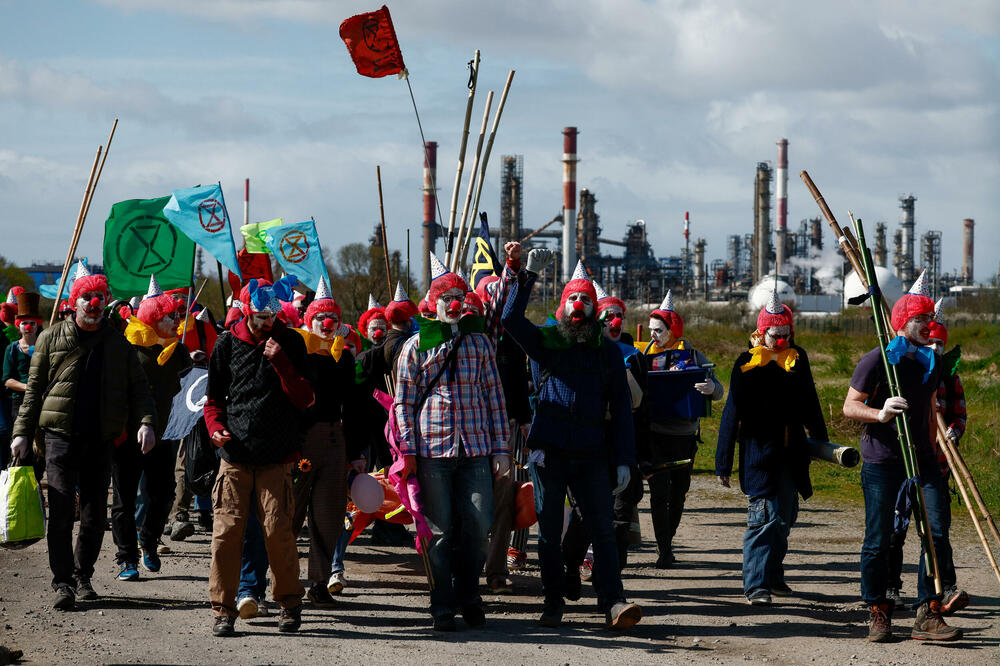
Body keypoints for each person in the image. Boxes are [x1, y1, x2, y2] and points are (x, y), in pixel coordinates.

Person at [501, 252, 642, 630]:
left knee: (603, 530)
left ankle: (613, 601)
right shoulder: (545, 343)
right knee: (548, 535)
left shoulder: (608, 353)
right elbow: (509, 319)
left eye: (586, 301)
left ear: (595, 310)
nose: (579, 306)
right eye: (572, 300)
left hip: (592, 453)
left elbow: (622, 409)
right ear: (562, 306)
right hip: (549, 453)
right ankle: (552, 602)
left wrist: (625, 458)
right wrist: (527, 275)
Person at [9, 263, 156, 610]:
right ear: (73, 302)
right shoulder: (50, 338)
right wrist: (21, 432)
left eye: (98, 297)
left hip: (101, 439)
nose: (93, 303)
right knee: (61, 512)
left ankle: (82, 575)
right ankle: (62, 582)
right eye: (86, 297)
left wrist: (146, 423)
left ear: (105, 302)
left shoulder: (118, 344)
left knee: (93, 516)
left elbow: (140, 390)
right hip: (59, 438)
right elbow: (33, 392)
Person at [843, 272, 964, 642]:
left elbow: (929, 408)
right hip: (882, 461)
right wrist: (879, 413)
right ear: (902, 323)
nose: (930, 325)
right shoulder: (877, 360)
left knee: (936, 533)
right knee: (879, 539)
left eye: (931, 319)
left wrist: (940, 448)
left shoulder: (931, 361)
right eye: (922, 320)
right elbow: (850, 406)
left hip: (924, 459)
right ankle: (878, 610)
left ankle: (927, 612)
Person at [394, 252, 510, 632]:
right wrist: (408, 451)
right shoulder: (415, 347)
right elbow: (403, 402)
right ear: (434, 304)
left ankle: (469, 595)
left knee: (479, 524)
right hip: (432, 451)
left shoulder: (479, 344)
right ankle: (442, 604)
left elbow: (495, 397)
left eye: (459, 298)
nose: (455, 305)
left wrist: (502, 449)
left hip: (476, 449)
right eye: (447, 299)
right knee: (440, 532)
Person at [203, 278, 313, 637]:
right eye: (261, 316)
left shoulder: (292, 342)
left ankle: (289, 603)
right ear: (247, 311)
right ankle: (223, 610)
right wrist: (214, 427)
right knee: (227, 533)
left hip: (276, 456)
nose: (268, 323)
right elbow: (214, 400)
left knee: (278, 532)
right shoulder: (226, 343)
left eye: (273, 315)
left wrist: (281, 361)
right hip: (234, 455)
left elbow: (305, 399)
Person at [716, 290, 827, 606]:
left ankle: (774, 576)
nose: (780, 341)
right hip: (759, 456)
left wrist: (819, 439)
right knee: (764, 518)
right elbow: (731, 415)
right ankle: (756, 585)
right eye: (774, 335)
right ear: (760, 333)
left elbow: (810, 401)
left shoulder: (797, 358)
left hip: (792, 456)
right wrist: (723, 463)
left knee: (785, 518)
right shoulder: (746, 364)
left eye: (785, 335)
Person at [561, 278, 648, 599]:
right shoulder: (572, 353)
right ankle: (570, 567)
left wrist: (640, 457)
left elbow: (640, 410)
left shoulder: (629, 357)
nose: (614, 322)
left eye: (618, 316)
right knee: (585, 517)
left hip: (620, 450)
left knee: (620, 522)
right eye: (606, 315)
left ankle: (609, 587)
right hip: (583, 449)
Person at [884, 304, 969, 615]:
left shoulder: (950, 379)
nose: (935, 349)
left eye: (940, 345)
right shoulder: (905, 371)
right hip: (905, 462)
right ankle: (891, 586)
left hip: (938, 465)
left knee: (937, 530)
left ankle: (943, 587)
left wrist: (954, 432)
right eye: (931, 343)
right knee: (896, 529)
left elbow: (959, 414)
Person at [109, 276, 192, 579]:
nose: (176, 320)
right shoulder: (127, 348)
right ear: (153, 318)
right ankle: (126, 557)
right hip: (127, 435)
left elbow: (192, 383)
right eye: (170, 315)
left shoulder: (177, 350)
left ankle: (148, 542)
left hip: (164, 434)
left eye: (177, 315)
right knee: (125, 498)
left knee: (163, 494)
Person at [290, 276, 365, 607]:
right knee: (290, 513)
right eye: (320, 317)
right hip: (303, 443)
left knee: (328, 515)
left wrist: (356, 451)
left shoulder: (343, 358)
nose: (327, 322)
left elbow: (353, 403)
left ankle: (318, 583)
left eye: (332, 317)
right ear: (310, 320)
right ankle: (284, 581)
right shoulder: (298, 354)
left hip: (335, 442)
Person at [638, 291, 723, 567]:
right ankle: (664, 548)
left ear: (672, 329)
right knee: (658, 492)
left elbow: (718, 389)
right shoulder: (642, 356)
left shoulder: (694, 355)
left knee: (679, 492)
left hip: (685, 437)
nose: (653, 335)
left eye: (659, 330)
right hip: (655, 435)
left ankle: (668, 537)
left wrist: (711, 389)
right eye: (651, 330)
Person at [3, 291, 43, 475]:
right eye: (24, 323)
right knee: (23, 449)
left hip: (44, 403)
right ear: (19, 326)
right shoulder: (12, 349)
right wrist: (28, 387)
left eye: (32, 323)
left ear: (37, 325)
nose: (28, 327)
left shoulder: (45, 347)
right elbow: (7, 380)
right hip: (20, 404)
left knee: (42, 451)